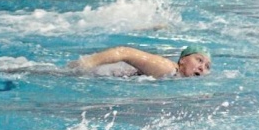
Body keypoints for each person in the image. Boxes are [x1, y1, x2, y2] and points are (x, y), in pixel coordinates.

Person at [68, 44, 211, 78]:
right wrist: (87, 63)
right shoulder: (166, 68)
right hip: (91, 72)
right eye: (199, 60)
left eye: (207, 66)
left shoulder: (175, 75)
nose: (202, 67)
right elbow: (124, 52)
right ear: (183, 60)